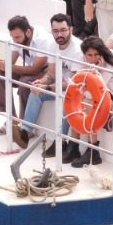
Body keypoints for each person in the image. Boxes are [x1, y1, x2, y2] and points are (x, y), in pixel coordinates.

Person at [62, 36, 113, 167]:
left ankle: (93, 150)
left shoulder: (108, 67)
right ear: (84, 55)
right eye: (89, 55)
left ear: (101, 54)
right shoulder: (94, 65)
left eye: (96, 54)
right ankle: (78, 146)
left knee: (88, 103)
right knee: (83, 101)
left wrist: (100, 69)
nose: (93, 58)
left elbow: (96, 92)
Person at [25, 14, 83, 156]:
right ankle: (25, 131)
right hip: (60, 87)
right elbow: (51, 74)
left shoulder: (78, 50)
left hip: (76, 90)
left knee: (66, 102)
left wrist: (49, 87)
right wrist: (42, 82)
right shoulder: (52, 44)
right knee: (35, 91)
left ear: (71, 29)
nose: (59, 34)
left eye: (63, 30)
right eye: (55, 31)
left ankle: (60, 142)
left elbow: (74, 83)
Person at [0, 15, 50, 137]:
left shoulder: (42, 40)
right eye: (13, 37)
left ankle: (26, 126)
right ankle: (11, 119)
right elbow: (9, 63)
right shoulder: (17, 38)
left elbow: (35, 69)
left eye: (17, 37)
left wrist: (7, 66)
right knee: (0, 76)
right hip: (31, 70)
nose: (15, 40)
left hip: (45, 72)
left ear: (28, 32)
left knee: (25, 82)